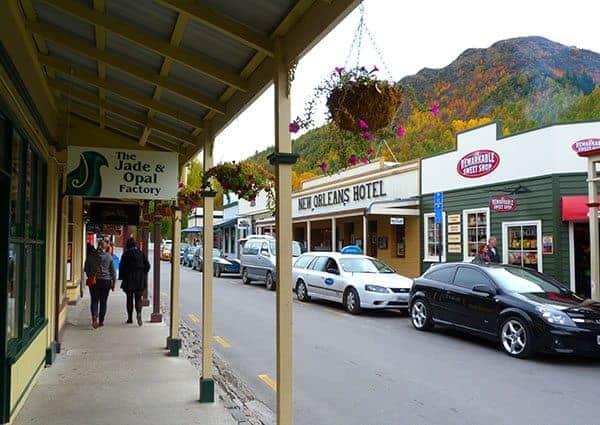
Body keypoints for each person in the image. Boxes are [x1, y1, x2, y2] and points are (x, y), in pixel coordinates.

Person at [84, 241, 116, 329]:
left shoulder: (91, 256)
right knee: (103, 302)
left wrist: (91, 275)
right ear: (105, 248)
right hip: (106, 282)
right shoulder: (109, 257)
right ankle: (101, 321)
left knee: (94, 300)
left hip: (94, 281)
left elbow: (86, 268)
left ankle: (94, 317)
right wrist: (113, 283)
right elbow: (113, 272)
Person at [119, 238, 150, 326]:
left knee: (129, 299)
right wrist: (143, 273)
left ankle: (130, 318)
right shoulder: (141, 254)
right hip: (140, 280)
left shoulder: (125, 255)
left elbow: (122, 267)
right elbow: (147, 265)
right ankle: (139, 314)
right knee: (138, 299)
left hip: (129, 280)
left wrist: (122, 277)